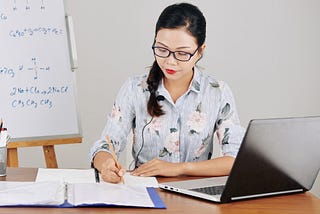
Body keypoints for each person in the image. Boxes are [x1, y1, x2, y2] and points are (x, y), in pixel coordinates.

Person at [90, 2, 245, 183]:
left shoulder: (217, 92)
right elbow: (104, 146)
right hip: (145, 190)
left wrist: (178, 169)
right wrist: (105, 164)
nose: (170, 62)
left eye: (182, 53)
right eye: (162, 50)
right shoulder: (135, 89)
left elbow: (236, 159)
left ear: (200, 51)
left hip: (196, 193)